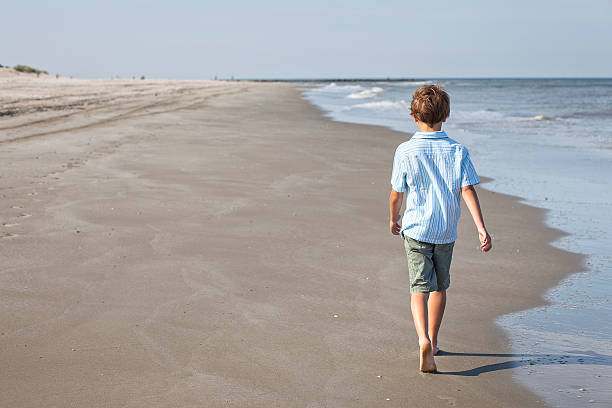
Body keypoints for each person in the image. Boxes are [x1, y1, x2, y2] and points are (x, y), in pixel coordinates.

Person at [389, 84, 492, 373]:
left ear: (413, 116)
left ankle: (422, 339)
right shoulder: (457, 150)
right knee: (439, 288)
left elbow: (397, 193)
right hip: (445, 231)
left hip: (416, 230)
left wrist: (393, 218)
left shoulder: (405, 150)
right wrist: (481, 228)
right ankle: (433, 342)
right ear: (446, 116)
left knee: (418, 288)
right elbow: (468, 190)